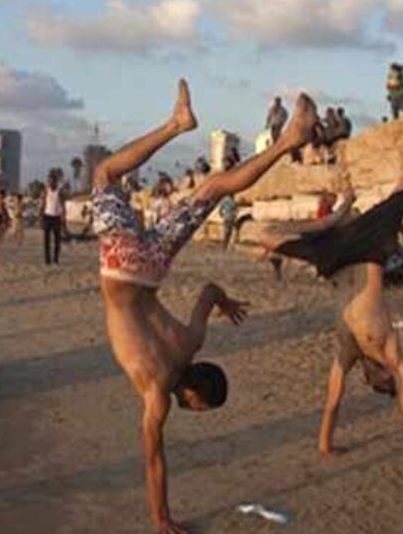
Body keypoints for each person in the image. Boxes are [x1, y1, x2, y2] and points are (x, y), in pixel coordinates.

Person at [90, 79, 317, 534]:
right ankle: (181, 122)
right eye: (198, 408)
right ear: (189, 394)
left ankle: (285, 139)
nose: (192, 412)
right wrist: (161, 519)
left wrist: (226, 303)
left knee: (212, 189)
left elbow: (210, 290)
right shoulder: (156, 388)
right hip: (124, 266)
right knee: (105, 177)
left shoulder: (191, 341)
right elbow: (154, 458)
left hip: (153, 266)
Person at [260, 134, 403, 472]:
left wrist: (325, 444)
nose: (376, 381)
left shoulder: (349, 348)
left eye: (375, 383)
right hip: (368, 248)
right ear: (382, 374)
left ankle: (336, 215)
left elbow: (332, 402)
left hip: (338, 255)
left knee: (265, 234)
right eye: (381, 383)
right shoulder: (388, 349)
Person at [41, 171, 66, 266]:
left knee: (57, 241)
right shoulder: (45, 191)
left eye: (53, 181)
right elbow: (43, 204)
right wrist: (41, 217)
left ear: (56, 182)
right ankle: (47, 260)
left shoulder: (59, 191)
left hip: (57, 218)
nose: (51, 183)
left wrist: (64, 217)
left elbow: (63, 205)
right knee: (46, 241)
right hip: (47, 217)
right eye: (49, 181)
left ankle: (55, 260)